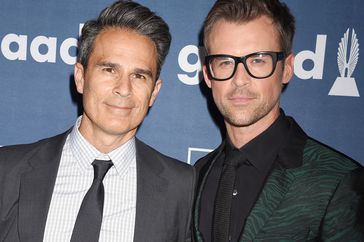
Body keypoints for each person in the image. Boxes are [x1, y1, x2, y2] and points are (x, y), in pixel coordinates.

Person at [0, 1, 195, 241]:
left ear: (154, 92)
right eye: (109, 70)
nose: (123, 89)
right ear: (81, 78)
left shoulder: (181, 188)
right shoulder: (7, 170)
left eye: (139, 75)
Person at [193, 0, 364, 241]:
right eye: (225, 62)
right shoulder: (196, 175)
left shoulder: (338, 181)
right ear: (208, 75)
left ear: (287, 69)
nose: (240, 79)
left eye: (258, 60)